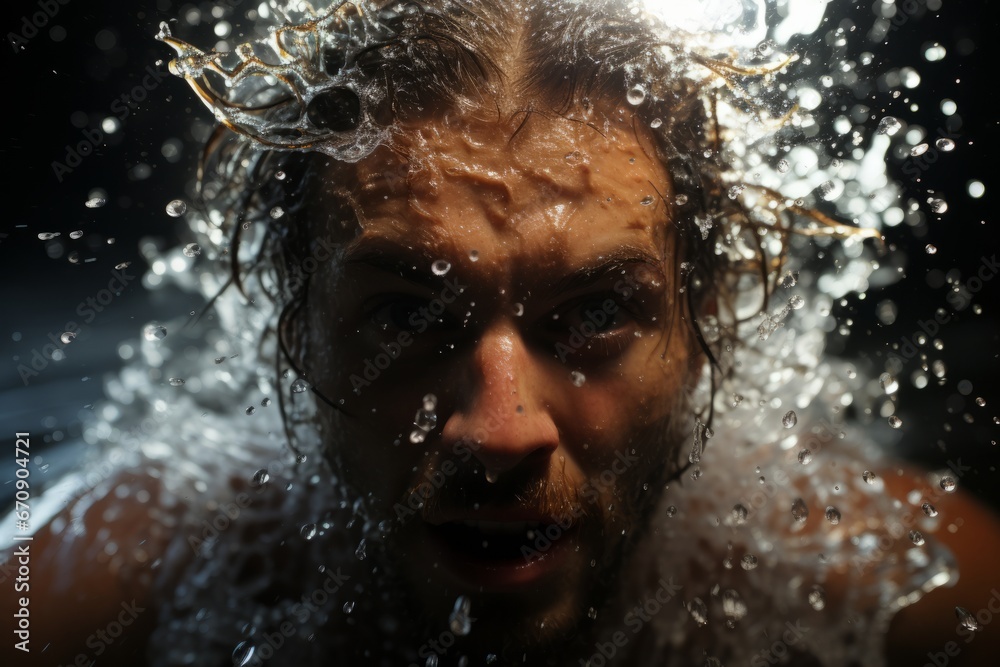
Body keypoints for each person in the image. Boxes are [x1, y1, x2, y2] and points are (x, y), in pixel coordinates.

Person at [3, 1, 1000, 665]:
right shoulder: (140, 569)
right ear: (297, 329)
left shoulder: (889, 592)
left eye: (597, 314)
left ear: (701, 325)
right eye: (403, 315)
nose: (501, 429)